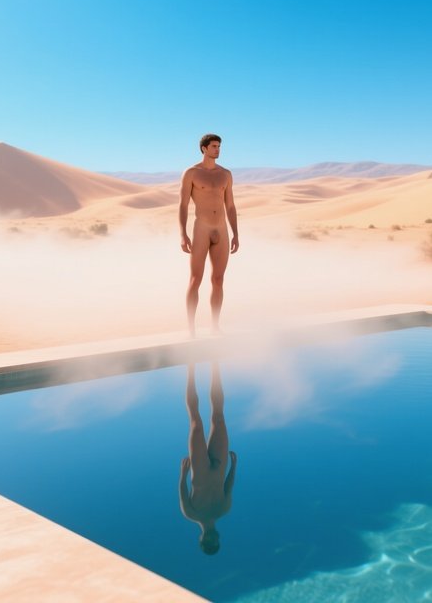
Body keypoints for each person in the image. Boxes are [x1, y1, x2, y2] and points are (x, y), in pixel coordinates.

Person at [179, 134, 239, 337]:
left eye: (219, 146)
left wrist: (236, 234)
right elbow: (183, 205)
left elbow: (230, 206)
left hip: (221, 229)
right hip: (201, 229)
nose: (218, 150)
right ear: (204, 148)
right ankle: (191, 329)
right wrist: (183, 234)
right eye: (214, 146)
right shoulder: (191, 173)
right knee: (195, 279)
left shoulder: (226, 174)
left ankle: (215, 326)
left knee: (218, 279)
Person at [179, 363, 237, 554]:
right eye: (214, 543)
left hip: (200, 471)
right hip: (220, 468)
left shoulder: (191, 514)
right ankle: (215, 366)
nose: (212, 539)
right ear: (218, 539)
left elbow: (182, 490)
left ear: (202, 540)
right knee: (219, 417)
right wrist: (234, 466)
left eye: (208, 542)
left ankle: (191, 368)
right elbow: (228, 487)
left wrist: (183, 474)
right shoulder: (224, 510)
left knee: (196, 423)